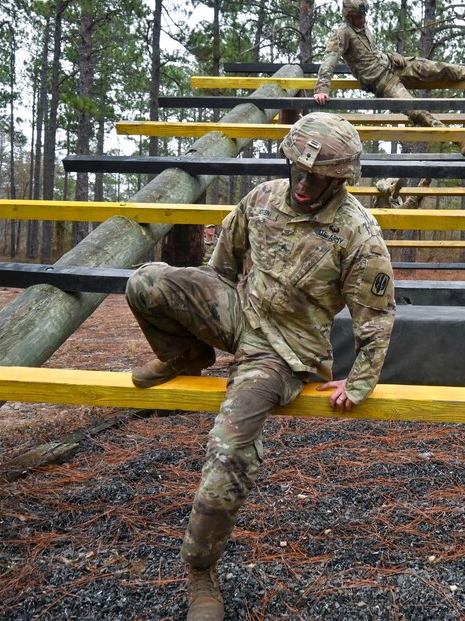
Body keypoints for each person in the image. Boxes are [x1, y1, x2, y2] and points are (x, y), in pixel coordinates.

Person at [124, 112, 396, 620]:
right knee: (146, 282)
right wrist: (201, 318)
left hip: (283, 351)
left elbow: (376, 318)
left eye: (316, 176)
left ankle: (200, 570)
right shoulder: (264, 199)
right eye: (297, 169)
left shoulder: (358, 233)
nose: (303, 181)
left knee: (229, 449)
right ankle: (186, 355)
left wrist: (361, 380)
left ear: (340, 179)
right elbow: (221, 268)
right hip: (238, 312)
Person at [313, 0, 465, 157]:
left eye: (363, 15)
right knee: (417, 110)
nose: (363, 19)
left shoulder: (364, 27)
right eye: (358, 16)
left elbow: (370, 53)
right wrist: (322, 88)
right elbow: (330, 58)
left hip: (395, 64)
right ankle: (456, 138)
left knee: (439, 68)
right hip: (383, 81)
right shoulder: (343, 32)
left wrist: (390, 55)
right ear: (348, 15)